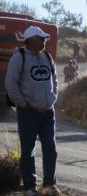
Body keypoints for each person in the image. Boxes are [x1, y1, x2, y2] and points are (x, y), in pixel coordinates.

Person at [4, 26, 60, 196]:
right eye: (40, 38)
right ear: (30, 40)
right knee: (28, 149)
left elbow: (55, 79)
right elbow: (10, 84)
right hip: (28, 112)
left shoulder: (47, 57)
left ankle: (49, 185)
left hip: (47, 111)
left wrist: (53, 97)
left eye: (44, 38)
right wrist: (23, 103)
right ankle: (29, 186)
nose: (44, 41)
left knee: (50, 148)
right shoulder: (18, 58)